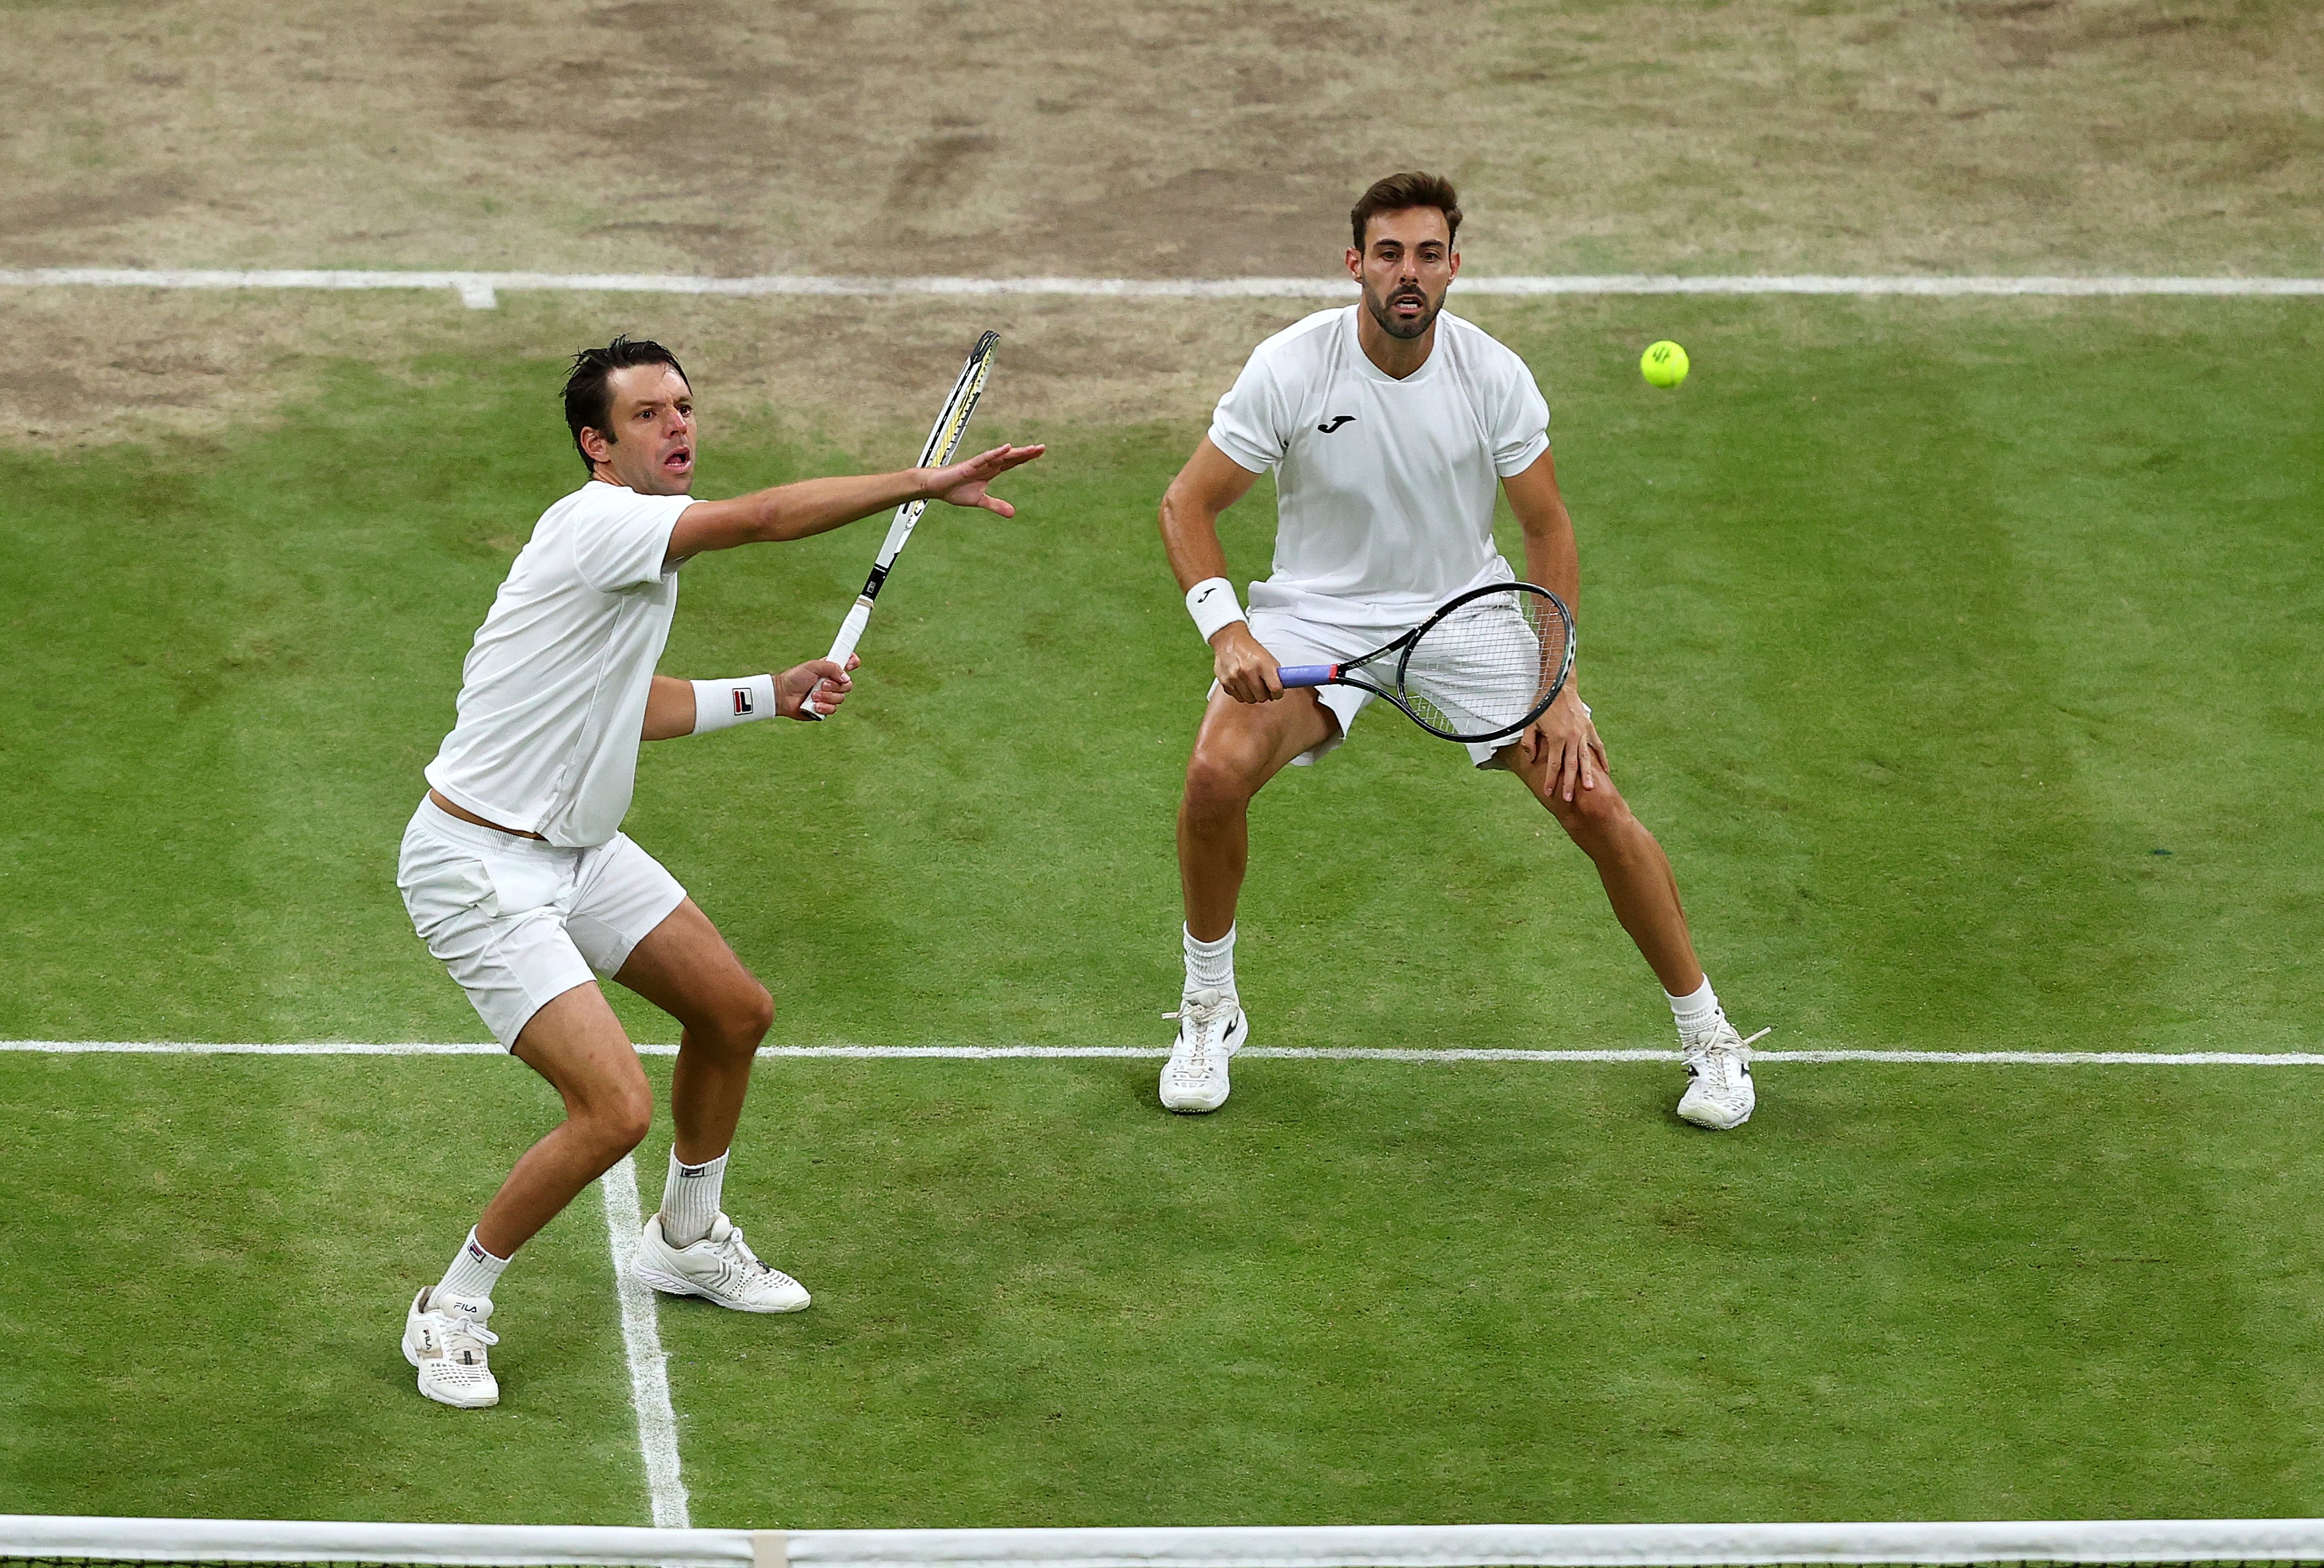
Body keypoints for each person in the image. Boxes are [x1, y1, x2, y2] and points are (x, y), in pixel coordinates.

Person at [398, 335, 1042, 1409]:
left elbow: (628, 702)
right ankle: (452, 1304)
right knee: (612, 1110)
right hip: (478, 866)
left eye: (685, 407)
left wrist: (769, 693)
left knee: (733, 1012)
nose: (680, 427)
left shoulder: (630, 550)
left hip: (579, 847)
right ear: (598, 447)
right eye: (649, 415)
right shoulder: (603, 523)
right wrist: (922, 480)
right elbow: (765, 518)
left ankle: (686, 1241)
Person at [1155, 172, 1760, 1128]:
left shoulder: (1493, 376)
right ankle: (1208, 1009)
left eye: (1428, 256)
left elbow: (1547, 529)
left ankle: (1711, 1038)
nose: (1409, 274)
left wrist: (1557, 686)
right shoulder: (1292, 366)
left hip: (1465, 616)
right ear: (1355, 264)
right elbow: (1186, 503)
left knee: (1592, 800)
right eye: (1389, 254)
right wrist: (1227, 627)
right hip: (1319, 616)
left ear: (1453, 267)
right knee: (1214, 775)